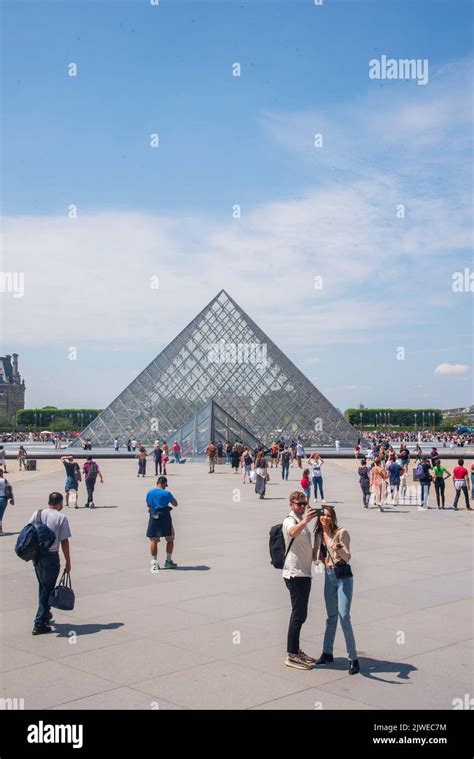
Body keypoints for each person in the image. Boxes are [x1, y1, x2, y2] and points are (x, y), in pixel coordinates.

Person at [313, 505, 359, 675]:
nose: (325, 518)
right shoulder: (318, 534)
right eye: (323, 515)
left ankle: (353, 659)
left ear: (333, 518)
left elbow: (348, 557)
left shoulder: (342, 533)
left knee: (344, 617)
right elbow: (315, 555)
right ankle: (327, 652)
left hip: (343, 578)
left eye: (328, 516)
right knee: (331, 616)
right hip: (329, 576)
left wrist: (339, 548)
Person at [282, 491, 318, 670]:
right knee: (298, 614)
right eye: (299, 504)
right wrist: (305, 521)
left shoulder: (302, 522)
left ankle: (296, 650)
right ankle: (292, 655)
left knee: (301, 614)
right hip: (294, 574)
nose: (302, 507)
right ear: (291, 504)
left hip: (304, 573)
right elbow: (291, 532)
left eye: (304, 504)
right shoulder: (289, 520)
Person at [28, 492, 72, 635]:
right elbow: (64, 541)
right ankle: (39, 622)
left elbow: (28, 529)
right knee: (47, 588)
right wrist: (68, 561)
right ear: (59, 503)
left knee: (43, 586)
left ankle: (46, 614)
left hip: (37, 556)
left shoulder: (38, 513)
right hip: (51, 557)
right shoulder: (61, 518)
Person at [146, 476, 178, 571]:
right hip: (165, 518)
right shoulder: (166, 493)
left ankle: (154, 563)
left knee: (153, 540)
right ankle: (168, 561)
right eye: (165, 485)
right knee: (170, 539)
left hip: (154, 517)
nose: (165, 487)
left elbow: (148, 505)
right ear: (164, 483)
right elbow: (175, 503)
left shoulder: (149, 492)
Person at [0, 468, 14, 534]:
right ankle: (0, 530)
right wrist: (12, 499)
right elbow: (10, 489)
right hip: (3, 499)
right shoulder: (5, 480)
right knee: (0, 515)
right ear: (1, 473)